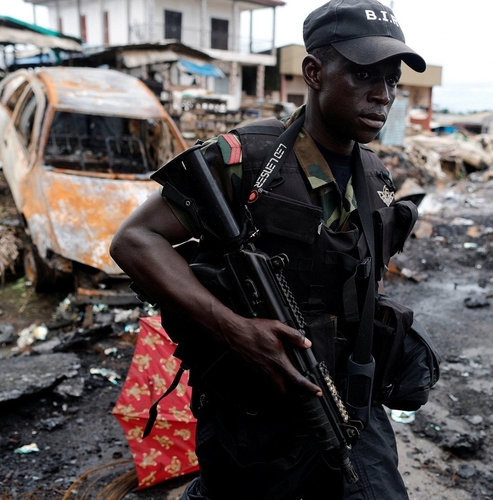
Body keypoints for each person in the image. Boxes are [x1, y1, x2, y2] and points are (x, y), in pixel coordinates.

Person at [110, 1, 427, 498]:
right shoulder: (248, 160)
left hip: (350, 407)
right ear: (315, 72)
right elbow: (134, 241)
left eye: (391, 79)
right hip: (254, 414)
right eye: (364, 73)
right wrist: (235, 330)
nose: (382, 94)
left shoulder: (377, 179)